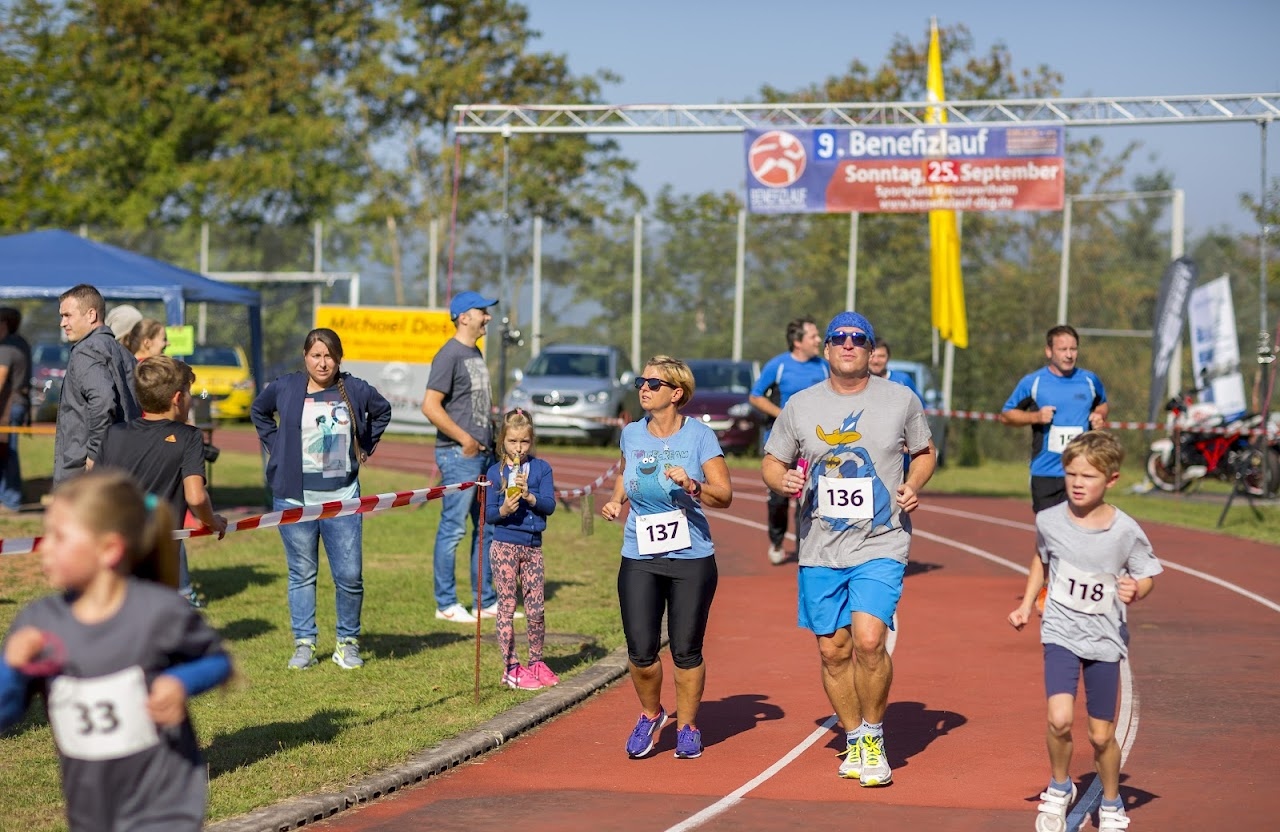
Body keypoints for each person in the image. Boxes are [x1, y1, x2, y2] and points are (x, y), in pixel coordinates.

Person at [0, 469, 233, 832]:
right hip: (91, 810)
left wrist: (179, 682)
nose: (44, 548)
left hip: (165, 804)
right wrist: (12, 668)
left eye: (59, 537)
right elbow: (7, 711)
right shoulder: (39, 624)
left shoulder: (159, 612)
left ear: (109, 549)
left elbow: (218, 661)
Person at [760, 311, 935, 788]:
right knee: (833, 651)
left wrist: (914, 483)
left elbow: (924, 452)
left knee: (868, 640)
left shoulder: (901, 399)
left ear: (870, 348)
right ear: (828, 349)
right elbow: (772, 462)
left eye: (859, 339)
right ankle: (854, 734)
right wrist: (785, 478)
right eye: (839, 338)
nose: (848, 344)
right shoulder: (800, 404)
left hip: (882, 539)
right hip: (820, 546)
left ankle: (875, 736)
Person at [1007, 431, 1161, 832]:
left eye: (1088, 476)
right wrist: (1027, 604)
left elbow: (1146, 575)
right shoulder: (1049, 519)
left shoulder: (1126, 530)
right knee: (1058, 719)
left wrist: (1136, 589)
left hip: (1104, 638)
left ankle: (1111, 800)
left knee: (1100, 735)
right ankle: (1060, 787)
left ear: (1111, 479)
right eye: (1072, 473)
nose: (1077, 482)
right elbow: (1041, 560)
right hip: (1059, 629)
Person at [601, 355, 733, 760]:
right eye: (642, 381)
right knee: (640, 652)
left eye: (654, 384)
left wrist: (692, 484)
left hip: (691, 555)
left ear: (676, 394)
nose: (644, 387)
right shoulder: (631, 433)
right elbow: (627, 471)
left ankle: (689, 726)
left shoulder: (700, 437)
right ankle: (651, 714)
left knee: (685, 650)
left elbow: (724, 495)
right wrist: (616, 499)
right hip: (640, 552)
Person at [251, 328, 392, 670]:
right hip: (294, 500)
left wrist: (365, 444)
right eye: (316, 355)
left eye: (329, 355)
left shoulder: (354, 389)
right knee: (302, 573)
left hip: (343, 499)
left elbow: (382, 411)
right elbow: (259, 411)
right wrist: (277, 447)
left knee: (349, 575)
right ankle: (304, 644)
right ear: (305, 357)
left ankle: (347, 642)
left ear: (338, 358)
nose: (322, 362)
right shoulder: (286, 386)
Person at [91, 356, 227, 608]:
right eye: (189, 393)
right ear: (177, 398)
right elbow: (196, 496)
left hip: (115, 550)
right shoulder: (189, 437)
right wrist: (212, 521)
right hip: (159, 557)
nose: (191, 399)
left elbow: (95, 491)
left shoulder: (114, 433)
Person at [422, 290, 509, 624]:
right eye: (482, 311)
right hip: (459, 455)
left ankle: (485, 601)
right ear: (463, 316)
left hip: (483, 455)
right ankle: (445, 603)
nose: (487, 317)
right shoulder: (449, 355)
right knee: (453, 529)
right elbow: (430, 405)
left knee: (485, 528)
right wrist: (466, 440)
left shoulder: (475, 353)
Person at [484, 409, 558, 691]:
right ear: (503, 441)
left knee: (536, 608)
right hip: (504, 546)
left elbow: (549, 505)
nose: (519, 448)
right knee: (507, 607)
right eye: (513, 442)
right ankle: (511, 667)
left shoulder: (541, 469)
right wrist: (503, 509)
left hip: (533, 547)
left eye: (524, 442)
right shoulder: (495, 472)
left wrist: (530, 496)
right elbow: (489, 514)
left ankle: (536, 661)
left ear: (531, 441)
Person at [1001, 325, 1109, 513]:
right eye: (1063, 349)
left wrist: (1099, 416)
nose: (1069, 355)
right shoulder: (1033, 382)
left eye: (1073, 349)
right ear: (1049, 351)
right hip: (1046, 472)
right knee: (1049, 534)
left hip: (1081, 471)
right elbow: (1006, 415)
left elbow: (1102, 404)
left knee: (1081, 531)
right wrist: (1035, 416)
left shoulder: (1090, 380)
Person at [748, 316, 828, 565]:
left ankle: (805, 546)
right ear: (797, 341)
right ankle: (777, 541)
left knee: (810, 494)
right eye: (813, 336)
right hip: (782, 442)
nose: (818, 340)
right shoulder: (778, 365)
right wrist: (783, 415)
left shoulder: (824, 367)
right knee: (780, 496)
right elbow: (756, 396)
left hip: (814, 442)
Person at [54, 285, 141, 484]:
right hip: (122, 463)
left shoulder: (86, 351)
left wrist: (94, 454)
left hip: (84, 471)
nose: (62, 323)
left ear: (91, 315)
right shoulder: (123, 352)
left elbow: (103, 402)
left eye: (67, 315)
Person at [0, 307, 30, 513]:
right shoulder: (21, 343)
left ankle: (10, 500)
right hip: (19, 403)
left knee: (7, 452)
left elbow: (0, 378)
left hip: (9, 406)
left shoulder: (7, 348)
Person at [868, 340, 924, 405]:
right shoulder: (858, 382)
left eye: (881, 356)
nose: (876, 361)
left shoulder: (903, 380)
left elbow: (920, 409)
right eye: (872, 356)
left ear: (888, 357)